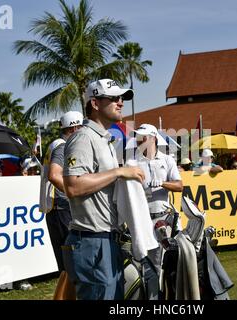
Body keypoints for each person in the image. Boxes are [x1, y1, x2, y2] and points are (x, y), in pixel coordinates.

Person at [63, 78, 145, 300]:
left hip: (105, 239)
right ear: (95, 104)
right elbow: (73, 186)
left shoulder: (104, 139)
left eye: (121, 98)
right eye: (114, 98)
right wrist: (118, 173)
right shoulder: (83, 137)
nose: (120, 102)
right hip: (91, 241)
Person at [133, 123, 183, 273]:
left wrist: (163, 183)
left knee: (172, 262)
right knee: (149, 264)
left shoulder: (167, 160)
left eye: (143, 137)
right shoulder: (134, 163)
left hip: (164, 219)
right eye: (138, 138)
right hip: (144, 220)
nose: (139, 140)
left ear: (153, 138)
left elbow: (179, 186)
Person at [46, 111, 83, 272]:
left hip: (57, 209)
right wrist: (73, 193)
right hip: (61, 209)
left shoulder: (56, 144)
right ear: (74, 128)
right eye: (81, 128)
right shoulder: (62, 146)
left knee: (66, 268)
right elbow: (54, 175)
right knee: (70, 267)